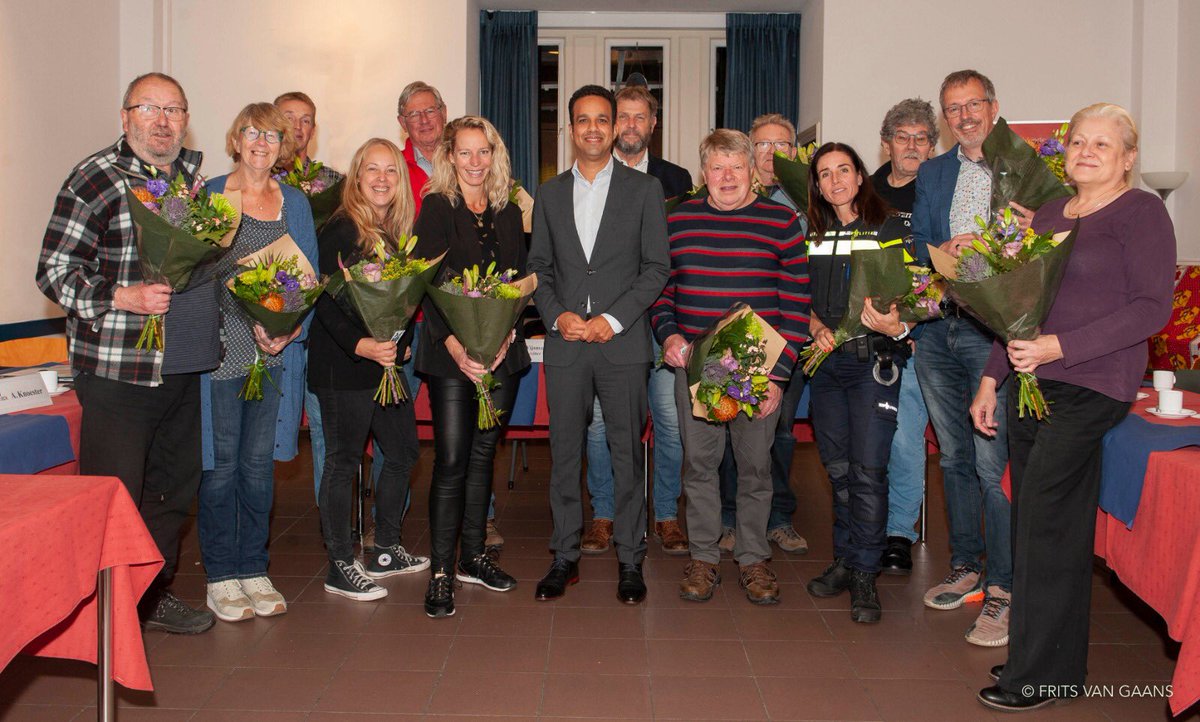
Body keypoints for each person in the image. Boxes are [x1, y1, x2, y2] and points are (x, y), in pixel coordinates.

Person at [971, 104, 1175, 711]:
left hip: (1093, 386)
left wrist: (1063, 346)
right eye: (1078, 141)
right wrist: (990, 378)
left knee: (1047, 525)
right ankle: (1047, 665)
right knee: (1037, 525)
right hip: (1035, 383)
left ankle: (1038, 676)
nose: (1086, 151)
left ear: (1128, 158)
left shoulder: (1143, 213)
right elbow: (1017, 303)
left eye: (1102, 144)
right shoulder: (1056, 211)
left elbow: (1150, 310)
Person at [35, 72, 216, 634]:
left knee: (173, 490)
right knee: (114, 495)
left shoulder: (193, 182)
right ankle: (102, 615)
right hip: (117, 371)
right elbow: (53, 272)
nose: (163, 121)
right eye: (150, 108)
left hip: (180, 367)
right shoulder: (95, 177)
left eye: (175, 110)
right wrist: (121, 295)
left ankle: (146, 597)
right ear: (125, 117)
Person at [653, 129, 810, 606]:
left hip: (758, 370)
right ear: (703, 174)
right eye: (717, 168)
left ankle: (753, 557)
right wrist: (670, 335)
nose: (726, 177)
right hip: (699, 367)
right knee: (699, 465)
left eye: (735, 168)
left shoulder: (782, 223)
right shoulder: (676, 222)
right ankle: (702, 557)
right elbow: (661, 293)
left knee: (755, 467)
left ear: (751, 174)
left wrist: (779, 377)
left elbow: (797, 308)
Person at [527, 84, 669, 604]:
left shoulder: (644, 190)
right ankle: (564, 555)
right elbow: (538, 268)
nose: (592, 128)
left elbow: (657, 268)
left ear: (614, 128)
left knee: (627, 455)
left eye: (601, 120)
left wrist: (614, 318)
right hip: (566, 345)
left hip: (622, 344)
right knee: (564, 455)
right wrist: (556, 314)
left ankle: (631, 558)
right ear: (570, 129)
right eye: (582, 120)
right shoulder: (548, 193)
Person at [912, 69, 1031, 647]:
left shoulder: (1023, 169)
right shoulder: (934, 172)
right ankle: (968, 568)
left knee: (991, 465)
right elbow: (916, 246)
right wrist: (945, 251)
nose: (963, 116)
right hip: (938, 326)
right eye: (952, 108)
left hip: (995, 334)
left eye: (972, 105)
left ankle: (1005, 587)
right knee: (954, 456)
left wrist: (984, 250)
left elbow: (1036, 251)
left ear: (993, 106)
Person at [197, 103, 317, 622]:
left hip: (271, 356)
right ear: (236, 137)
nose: (261, 142)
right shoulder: (211, 195)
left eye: (272, 134)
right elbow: (192, 272)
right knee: (220, 469)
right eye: (252, 131)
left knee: (257, 469)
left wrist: (288, 332)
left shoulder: (294, 202)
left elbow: (308, 280)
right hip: (220, 353)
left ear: (283, 145)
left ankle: (254, 568)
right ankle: (221, 575)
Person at [413, 116, 529, 618]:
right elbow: (427, 281)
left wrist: (503, 337)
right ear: (450, 157)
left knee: (485, 456)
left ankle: (474, 557)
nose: (475, 162)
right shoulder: (436, 207)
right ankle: (441, 570)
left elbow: (518, 282)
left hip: (502, 353)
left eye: (484, 152)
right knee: (453, 459)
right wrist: (459, 346)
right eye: (465, 152)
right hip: (450, 354)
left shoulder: (507, 212)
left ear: (495, 156)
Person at [308, 138, 428, 601]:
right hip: (343, 365)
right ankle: (341, 563)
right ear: (357, 177)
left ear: (400, 181)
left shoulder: (396, 232)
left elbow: (403, 301)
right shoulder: (339, 230)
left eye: (391, 171)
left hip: (385, 367)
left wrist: (402, 344)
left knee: (401, 452)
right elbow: (320, 297)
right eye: (372, 170)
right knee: (343, 463)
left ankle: (386, 548)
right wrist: (362, 344)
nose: (381, 179)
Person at [802, 142, 912, 623]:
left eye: (842, 170)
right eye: (824, 174)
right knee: (840, 472)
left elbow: (918, 292)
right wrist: (813, 326)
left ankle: (866, 574)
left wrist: (896, 324)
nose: (835, 180)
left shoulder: (886, 226)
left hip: (873, 365)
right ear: (818, 186)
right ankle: (847, 560)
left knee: (869, 473)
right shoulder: (813, 233)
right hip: (825, 369)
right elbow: (799, 294)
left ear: (860, 175)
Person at [582, 82, 692, 555]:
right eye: (620, 116)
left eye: (638, 116)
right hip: (608, 324)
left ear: (653, 124)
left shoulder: (678, 179)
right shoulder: (591, 179)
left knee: (669, 422)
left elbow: (681, 254)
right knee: (601, 424)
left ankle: (665, 514)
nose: (629, 125)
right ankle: (604, 514)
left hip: (665, 320)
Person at [714, 112, 812, 557]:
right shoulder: (728, 195)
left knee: (782, 431)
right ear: (750, 155)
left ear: (796, 152)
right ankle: (733, 517)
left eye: (783, 145)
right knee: (733, 433)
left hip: (787, 341)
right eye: (763, 145)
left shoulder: (811, 201)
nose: (773, 153)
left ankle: (778, 518)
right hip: (734, 344)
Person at [870, 98, 939, 575]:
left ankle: (899, 531)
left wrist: (910, 321)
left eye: (921, 138)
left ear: (933, 145)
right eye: (903, 137)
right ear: (887, 142)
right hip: (865, 328)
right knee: (864, 438)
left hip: (917, 333)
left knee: (903, 437)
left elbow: (948, 267)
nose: (912, 146)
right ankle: (867, 523)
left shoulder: (939, 191)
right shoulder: (866, 189)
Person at [271, 91, 347, 504]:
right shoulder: (253, 182)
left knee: (325, 427)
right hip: (271, 320)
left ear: (313, 130)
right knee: (263, 431)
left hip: (325, 324)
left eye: (306, 120)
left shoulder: (334, 185)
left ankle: (331, 526)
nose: (297, 128)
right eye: (288, 117)